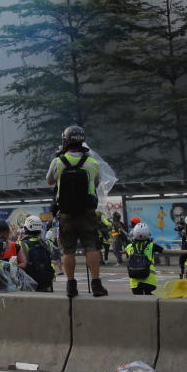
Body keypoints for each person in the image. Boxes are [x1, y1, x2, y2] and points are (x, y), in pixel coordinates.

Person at [46, 125, 107, 298]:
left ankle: (71, 287)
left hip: (65, 213)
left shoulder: (57, 162)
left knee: (68, 250)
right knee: (91, 246)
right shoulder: (92, 163)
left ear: (65, 140)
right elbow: (95, 184)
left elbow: (50, 181)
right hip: (87, 212)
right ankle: (96, 285)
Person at [124, 222, 166, 295]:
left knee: (139, 303)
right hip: (150, 280)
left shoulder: (128, 247)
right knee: (150, 303)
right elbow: (163, 250)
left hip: (134, 281)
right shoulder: (152, 246)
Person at [19, 216, 55, 292]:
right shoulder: (46, 243)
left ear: (26, 229)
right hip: (47, 282)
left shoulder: (22, 243)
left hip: (31, 282)